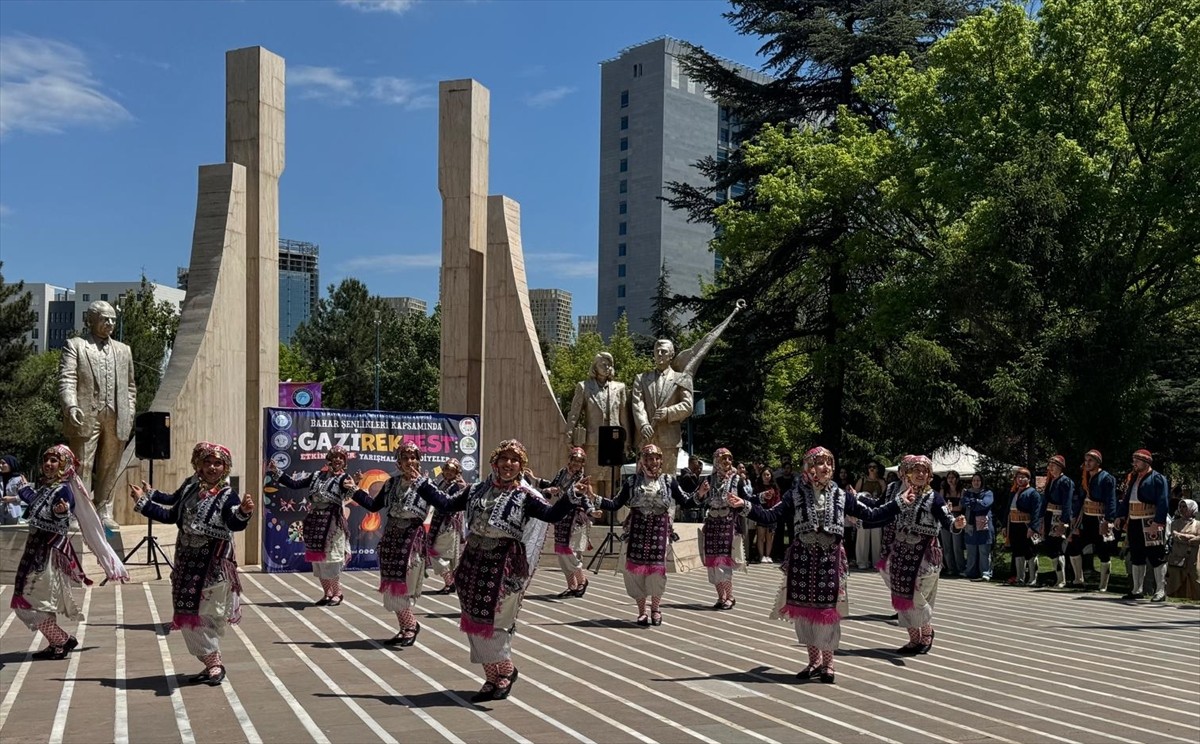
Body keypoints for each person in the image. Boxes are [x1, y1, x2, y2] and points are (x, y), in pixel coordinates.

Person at [415, 439, 582, 702]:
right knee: (474, 621)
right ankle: (491, 676)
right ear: (495, 462)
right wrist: (422, 484)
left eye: (515, 460)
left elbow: (551, 515)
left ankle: (506, 670)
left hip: (504, 566)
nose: (509, 464)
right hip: (473, 563)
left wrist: (571, 497)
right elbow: (446, 505)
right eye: (504, 458)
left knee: (497, 622)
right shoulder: (476, 490)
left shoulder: (525, 497)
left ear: (521, 466)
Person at [727, 447, 905, 684]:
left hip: (830, 560)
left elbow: (871, 514)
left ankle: (828, 663)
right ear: (809, 468)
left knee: (827, 612)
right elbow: (771, 516)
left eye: (829, 463)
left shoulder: (841, 495)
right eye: (820, 463)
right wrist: (744, 505)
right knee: (804, 612)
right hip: (802, 559)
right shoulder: (795, 494)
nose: (826, 467)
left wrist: (898, 504)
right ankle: (814, 661)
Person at [131, 442, 251, 685]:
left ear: (225, 467)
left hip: (212, 564)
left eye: (218, 463)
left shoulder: (227, 495)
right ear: (199, 465)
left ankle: (214, 665)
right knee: (187, 616)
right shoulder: (191, 487)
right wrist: (145, 502)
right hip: (186, 562)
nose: (212, 467)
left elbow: (233, 523)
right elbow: (171, 515)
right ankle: (212, 664)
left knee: (204, 614)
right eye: (207, 462)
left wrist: (244, 512)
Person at [11, 444, 128, 659]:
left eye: (54, 460)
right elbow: (36, 505)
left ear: (64, 465)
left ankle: (62, 640)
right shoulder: (49, 487)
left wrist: (59, 512)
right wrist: (26, 491)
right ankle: (56, 644)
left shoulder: (63, 490)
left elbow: (53, 516)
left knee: (27, 603)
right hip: (35, 552)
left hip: (46, 555)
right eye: (46, 460)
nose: (48, 464)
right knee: (39, 602)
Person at [595, 443, 708, 627]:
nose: (652, 462)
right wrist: (593, 497)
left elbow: (686, 501)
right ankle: (642, 611)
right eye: (648, 458)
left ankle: (655, 608)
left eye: (656, 458)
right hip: (637, 533)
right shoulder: (632, 482)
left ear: (660, 460)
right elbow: (615, 504)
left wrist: (700, 493)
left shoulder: (668, 481)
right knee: (635, 573)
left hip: (658, 533)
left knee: (656, 573)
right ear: (642, 461)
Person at [58, 300, 137, 530]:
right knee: (82, 465)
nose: (110, 323)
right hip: (85, 415)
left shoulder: (123, 350)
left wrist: (129, 411)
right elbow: (67, 379)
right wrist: (71, 406)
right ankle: (79, 513)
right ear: (91, 320)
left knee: (109, 466)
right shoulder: (76, 345)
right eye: (105, 319)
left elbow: (131, 387)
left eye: (113, 319)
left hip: (116, 416)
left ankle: (104, 510)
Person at [879, 454, 966, 655]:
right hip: (900, 553)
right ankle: (914, 639)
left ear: (929, 475)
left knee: (918, 597)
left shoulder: (934, 497)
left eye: (924, 471)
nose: (920, 474)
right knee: (902, 596)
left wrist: (957, 524)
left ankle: (927, 632)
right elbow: (880, 511)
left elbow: (947, 521)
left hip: (925, 555)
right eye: (916, 470)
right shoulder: (899, 495)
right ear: (907, 473)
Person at [351, 442, 432, 646]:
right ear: (399, 462)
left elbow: (444, 504)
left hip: (412, 538)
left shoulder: (426, 484)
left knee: (405, 583)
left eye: (413, 457)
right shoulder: (391, 483)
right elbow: (374, 505)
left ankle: (410, 626)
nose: (409, 461)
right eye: (405, 458)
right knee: (392, 585)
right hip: (392, 537)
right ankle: (407, 627)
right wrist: (355, 489)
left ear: (419, 461)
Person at [266, 445, 358, 606]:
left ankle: (338, 593)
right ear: (329, 459)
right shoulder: (316, 475)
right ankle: (327, 593)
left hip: (332, 523)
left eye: (341, 457)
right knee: (318, 560)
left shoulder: (345, 478)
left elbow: (349, 494)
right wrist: (276, 471)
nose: (337, 460)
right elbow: (295, 484)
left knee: (331, 559)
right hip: (315, 521)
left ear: (344, 462)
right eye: (335, 456)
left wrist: (355, 484)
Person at [695, 448, 754, 610]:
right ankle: (721, 596)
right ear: (716, 461)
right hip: (712, 524)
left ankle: (730, 596)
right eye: (723, 459)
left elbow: (747, 499)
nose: (727, 462)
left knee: (723, 562)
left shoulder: (736, 480)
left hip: (728, 524)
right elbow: (697, 500)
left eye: (729, 459)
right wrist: (701, 493)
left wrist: (761, 498)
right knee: (712, 563)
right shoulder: (708, 480)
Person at [531, 447, 595, 599]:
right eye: (574, 460)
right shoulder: (562, 473)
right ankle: (571, 585)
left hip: (575, 517)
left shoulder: (582, 479)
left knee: (570, 551)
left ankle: (582, 581)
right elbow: (554, 486)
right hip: (560, 514)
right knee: (561, 551)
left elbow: (584, 497)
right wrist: (538, 481)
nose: (576, 463)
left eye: (579, 461)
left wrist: (591, 510)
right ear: (570, 460)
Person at [566, 351, 630, 499]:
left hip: (614, 441)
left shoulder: (619, 388)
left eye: (609, 365)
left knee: (611, 480)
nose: (606, 367)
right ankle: (592, 510)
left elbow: (624, 417)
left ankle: (610, 511)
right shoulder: (584, 386)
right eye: (603, 364)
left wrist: (627, 441)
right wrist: (569, 435)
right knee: (592, 479)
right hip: (593, 441)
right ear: (595, 366)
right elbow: (574, 413)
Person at [631, 340, 694, 479]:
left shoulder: (681, 378)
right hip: (647, 436)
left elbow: (688, 405)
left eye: (663, 351)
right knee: (643, 479)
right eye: (657, 351)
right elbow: (637, 404)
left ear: (671, 355)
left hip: (669, 438)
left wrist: (668, 412)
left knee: (667, 480)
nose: (659, 354)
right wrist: (643, 424)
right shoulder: (641, 379)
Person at [1117, 449, 1170, 601]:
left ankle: (1160, 591)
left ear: (1146, 462)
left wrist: (1158, 522)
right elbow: (1127, 499)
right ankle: (1136, 589)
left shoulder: (1157, 478)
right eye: (1134, 460)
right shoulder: (1134, 478)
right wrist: (1120, 515)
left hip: (1150, 520)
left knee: (1156, 555)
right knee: (1136, 555)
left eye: (1137, 461)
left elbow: (1163, 501)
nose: (1134, 463)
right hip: (1134, 520)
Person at [1067, 449, 1118, 591]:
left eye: (1090, 461)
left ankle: (1103, 585)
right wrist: (1074, 515)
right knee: (1073, 547)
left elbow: (1111, 500)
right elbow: (1081, 498)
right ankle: (1078, 579)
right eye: (1086, 461)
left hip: (1100, 519)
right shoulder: (1085, 477)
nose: (1087, 463)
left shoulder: (1106, 478)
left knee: (1103, 551)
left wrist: (1108, 520)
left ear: (1098, 462)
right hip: (1085, 519)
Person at [426, 458, 468, 595]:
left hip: (449, 524)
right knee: (439, 554)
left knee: (440, 554)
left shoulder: (458, 486)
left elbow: (452, 504)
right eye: (447, 470)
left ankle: (450, 583)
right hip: (439, 522)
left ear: (457, 472)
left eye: (452, 471)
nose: (449, 473)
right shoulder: (442, 483)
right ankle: (450, 583)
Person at [1040, 455, 1074, 588]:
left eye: (1053, 466)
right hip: (1049, 515)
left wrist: (1064, 522)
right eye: (1049, 466)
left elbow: (1067, 503)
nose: (1050, 468)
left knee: (1056, 546)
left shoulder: (1066, 482)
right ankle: (1058, 577)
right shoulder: (1051, 481)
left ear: (1060, 467)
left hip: (1059, 516)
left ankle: (1062, 579)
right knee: (1049, 546)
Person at [1005, 468, 1043, 587]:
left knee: (1030, 552)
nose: (1020, 479)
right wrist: (1005, 526)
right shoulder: (1013, 492)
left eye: (1023, 477)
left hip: (1026, 526)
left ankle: (1032, 579)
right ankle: (1020, 578)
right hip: (1014, 525)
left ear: (1028, 479)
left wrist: (1033, 528)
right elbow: (1007, 510)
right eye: (1018, 477)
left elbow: (1036, 512)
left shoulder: (1033, 493)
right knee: (1017, 551)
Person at [961, 474, 995, 581]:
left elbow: (985, 504)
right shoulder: (967, 493)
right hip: (970, 524)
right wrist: (976, 502)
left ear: (982, 482)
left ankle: (985, 573)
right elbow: (963, 502)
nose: (976, 482)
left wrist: (972, 503)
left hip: (983, 524)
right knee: (971, 549)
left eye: (978, 480)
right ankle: (970, 571)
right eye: (974, 480)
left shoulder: (988, 493)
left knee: (984, 550)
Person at [854, 461, 886, 571]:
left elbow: (884, 497)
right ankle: (861, 562)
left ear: (878, 469)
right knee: (862, 537)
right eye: (870, 466)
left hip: (877, 512)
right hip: (863, 512)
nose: (872, 469)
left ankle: (876, 562)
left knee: (877, 537)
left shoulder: (881, 481)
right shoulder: (862, 480)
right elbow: (855, 495)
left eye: (874, 467)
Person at [1166, 499, 1200, 600]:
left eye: (1185, 507)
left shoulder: (1198, 524)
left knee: (1195, 575)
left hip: (1194, 554)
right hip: (1178, 554)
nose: (1182, 509)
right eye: (1180, 507)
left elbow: (1198, 538)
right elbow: (1175, 535)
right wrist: (1190, 537)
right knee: (1176, 575)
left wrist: (1183, 536)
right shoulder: (1175, 523)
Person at [939, 471, 966, 577]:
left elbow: (960, 507)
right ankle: (950, 568)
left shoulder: (962, 491)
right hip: (945, 519)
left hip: (957, 519)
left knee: (957, 545)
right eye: (949, 478)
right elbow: (940, 506)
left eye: (953, 477)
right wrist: (948, 508)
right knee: (947, 546)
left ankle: (961, 568)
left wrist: (950, 508)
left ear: (957, 479)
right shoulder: (943, 491)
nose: (950, 480)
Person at [755, 468, 781, 564]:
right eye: (764, 475)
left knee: (770, 536)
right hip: (761, 513)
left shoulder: (775, 487)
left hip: (772, 513)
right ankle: (761, 556)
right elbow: (755, 499)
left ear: (771, 476)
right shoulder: (758, 486)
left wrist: (774, 510)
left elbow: (778, 500)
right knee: (761, 536)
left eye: (768, 475)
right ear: (761, 476)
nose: (766, 477)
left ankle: (768, 555)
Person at [2, 454, 28, 524]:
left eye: (3, 463)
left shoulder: (19, 479)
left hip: (13, 513)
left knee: (10, 530)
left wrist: (12, 499)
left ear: (11, 464)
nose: (0, 465)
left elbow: (26, 496)